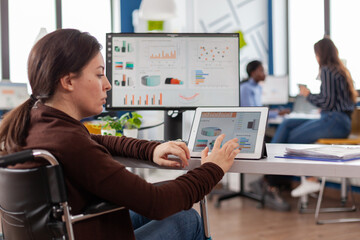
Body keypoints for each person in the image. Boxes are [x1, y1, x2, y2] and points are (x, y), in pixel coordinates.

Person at [0, 29, 240, 240]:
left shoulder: (35, 122)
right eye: (98, 74)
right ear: (68, 81)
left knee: (174, 206)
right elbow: (156, 203)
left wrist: (151, 149)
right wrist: (213, 169)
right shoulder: (69, 141)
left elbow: (95, 141)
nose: (108, 84)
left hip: (71, 229)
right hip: (82, 231)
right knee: (187, 219)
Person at [271, 37, 357, 197]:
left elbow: (327, 102)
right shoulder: (340, 70)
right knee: (288, 123)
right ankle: (274, 173)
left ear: (320, 54)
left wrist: (308, 95)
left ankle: (305, 179)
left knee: (292, 138)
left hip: (335, 121)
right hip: (337, 120)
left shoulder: (327, 70)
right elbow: (332, 99)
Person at [240, 60, 291, 212]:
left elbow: (259, 111)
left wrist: (275, 113)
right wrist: (276, 113)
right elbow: (253, 113)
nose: (265, 74)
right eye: (262, 70)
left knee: (282, 143)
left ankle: (265, 181)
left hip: (257, 130)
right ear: (253, 72)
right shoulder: (245, 88)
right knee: (276, 147)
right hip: (248, 133)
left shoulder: (256, 88)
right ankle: (270, 186)